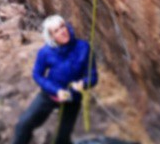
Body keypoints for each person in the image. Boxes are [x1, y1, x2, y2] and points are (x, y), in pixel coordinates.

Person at [12, 15, 98, 144]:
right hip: (49, 95)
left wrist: (83, 83)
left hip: (72, 98)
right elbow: (37, 75)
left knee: (61, 139)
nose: (62, 32)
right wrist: (56, 90)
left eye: (62, 26)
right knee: (23, 125)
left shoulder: (84, 48)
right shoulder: (45, 52)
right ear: (52, 37)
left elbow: (93, 76)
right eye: (56, 31)